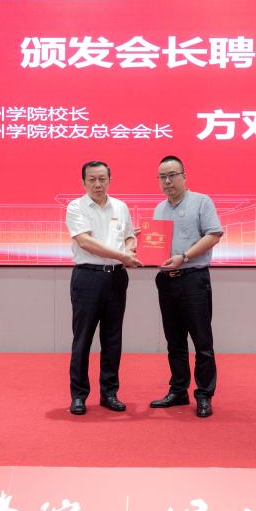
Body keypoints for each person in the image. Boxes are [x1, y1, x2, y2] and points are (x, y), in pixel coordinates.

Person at [65, 160, 142, 415]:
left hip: (117, 278)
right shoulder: (75, 207)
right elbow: (85, 242)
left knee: (112, 339)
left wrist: (130, 247)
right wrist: (123, 255)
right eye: (92, 179)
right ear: (83, 182)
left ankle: (109, 393)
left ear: (110, 180)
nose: (97, 184)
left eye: (102, 179)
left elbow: (129, 235)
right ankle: (79, 396)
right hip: (88, 277)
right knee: (83, 339)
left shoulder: (120, 206)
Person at [150, 155, 223, 418]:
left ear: (184, 176)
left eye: (172, 175)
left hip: (193, 279)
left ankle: (204, 395)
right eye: (162, 177)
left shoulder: (201, 201)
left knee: (202, 341)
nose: (167, 181)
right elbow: (156, 245)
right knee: (174, 340)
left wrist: (185, 256)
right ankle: (178, 390)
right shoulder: (159, 209)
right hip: (166, 280)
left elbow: (213, 234)